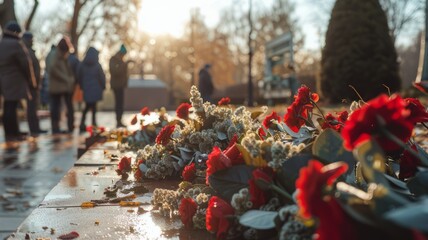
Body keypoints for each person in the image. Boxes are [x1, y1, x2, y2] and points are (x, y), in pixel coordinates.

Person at [0, 21, 37, 141]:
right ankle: (14, 133)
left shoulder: (1, 43)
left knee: (7, 106)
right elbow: (26, 64)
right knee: (12, 106)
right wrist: (32, 81)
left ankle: (9, 132)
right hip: (14, 79)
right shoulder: (16, 44)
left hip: (3, 80)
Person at [22, 32, 48, 136]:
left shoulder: (29, 51)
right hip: (31, 84)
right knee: (31, 107)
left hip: (34, 83)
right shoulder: (26, 51)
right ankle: (34, 129)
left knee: (33, 107)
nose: (32, 41)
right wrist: (32, 82)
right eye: (31, 39)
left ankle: (35, 128)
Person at [48, 37, 75, 134]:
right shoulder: (54, 55)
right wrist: (66, 78)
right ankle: (55, 128)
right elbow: (52, 69)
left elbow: (67, 69)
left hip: (63, 86)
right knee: (55, 108)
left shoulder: (62, 56)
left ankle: (67, 126)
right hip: (56, 86)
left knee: (63, 107)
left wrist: (70, 78)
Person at [77, 47, 106, 132]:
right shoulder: (97, 65)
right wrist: (103, 86)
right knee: (93, 107)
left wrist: (82, 85)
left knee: (87, 106)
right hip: (96, 89)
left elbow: (79, 76)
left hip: (86, 88)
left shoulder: (82, 64)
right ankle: (93, 123)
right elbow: (102, 76)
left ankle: (82, 123)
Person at [109, 44, 129, 128]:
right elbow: (115, 71)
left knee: (120, 103)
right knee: (118, 104)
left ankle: (120, 120)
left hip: (121, 85)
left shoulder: (121, 60)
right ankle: (118, 121)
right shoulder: (114, 59)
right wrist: (124, 65)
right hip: (116, 85)